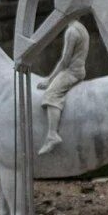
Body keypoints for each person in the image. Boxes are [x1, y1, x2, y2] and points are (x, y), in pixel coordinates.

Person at [36, 19, 90, 155]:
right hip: (79, 69)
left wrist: (49, 80)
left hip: (72, 72)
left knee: (51, 94)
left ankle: (52, 135)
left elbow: (64, 61)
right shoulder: (81, 27)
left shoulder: (71, 31)